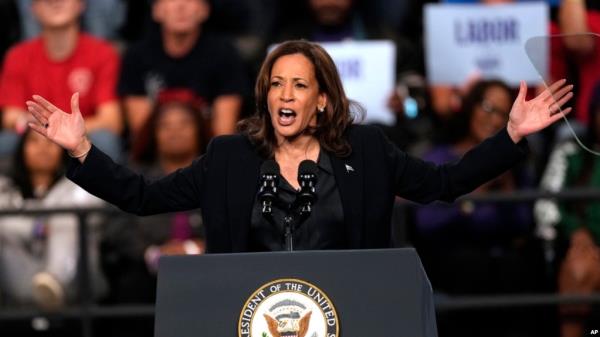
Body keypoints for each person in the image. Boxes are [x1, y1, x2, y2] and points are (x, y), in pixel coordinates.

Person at [25, 40, 572, 253]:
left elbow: (445, 184)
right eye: (275, 84)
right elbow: (142, 196)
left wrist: (510, 136)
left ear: (323, 103)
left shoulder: (369, 151)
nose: (285, 95)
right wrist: (81, 151)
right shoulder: (228, 158)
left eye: (300, 85)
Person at [0, 0, 122, 160]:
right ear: (33, 8)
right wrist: (46, 130)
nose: (55, 2)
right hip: (36, 136)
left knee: (106, 141)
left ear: (81, 4)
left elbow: (112, 121)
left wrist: (63, 130)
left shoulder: (103, 53)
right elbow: (10, 118)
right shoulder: (17, 56)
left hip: (82, 136)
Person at [0, 128, 107, 309]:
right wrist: (37, 228)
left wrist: (51, 223)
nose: (43, 148)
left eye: (50, 143)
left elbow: (95, 212)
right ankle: (41, 294)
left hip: (74, 281)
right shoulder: (6, 188)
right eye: (34, 142)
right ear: (22, 150)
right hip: (21, 283)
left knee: (67, 220)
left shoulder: (77, 185)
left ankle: (55, 282)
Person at [118, 0, 247, 138]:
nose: (181, 6)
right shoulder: (137, 56)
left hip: (209, 153)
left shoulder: (225, 55)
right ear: (156, 10)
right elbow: (142, 135)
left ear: (205, 10)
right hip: (155, 154)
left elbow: (223, 136)